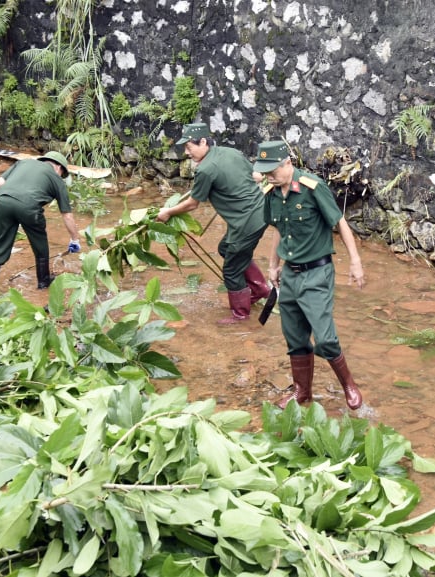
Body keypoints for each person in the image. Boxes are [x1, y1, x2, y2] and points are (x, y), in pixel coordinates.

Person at [254, 140, 366, 410]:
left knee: (325, 337)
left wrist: (355, 261)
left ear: (288, 163)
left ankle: (348, 384)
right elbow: (279, 230)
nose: (269, 176)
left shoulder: (312, 187)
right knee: (294, 337)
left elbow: (339, 221)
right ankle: (302, 392)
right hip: (290, 275)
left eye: (273, 171)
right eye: (265, 172)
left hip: (317, 273)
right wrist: (272, 265)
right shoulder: (271, 193)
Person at [155, 123, 270, 324]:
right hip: (261, 212)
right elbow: (256, 176)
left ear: (203, 142)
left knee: (231, 270)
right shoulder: (230, 152)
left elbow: (192, 205)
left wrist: (167, 212)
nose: (187, 152)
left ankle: (241, 314)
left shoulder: (205, 170)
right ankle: (260, 289)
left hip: (246, 222)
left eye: (189, 147)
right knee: (225, 248)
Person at [0, 151, 81, 291]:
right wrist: (75, 239)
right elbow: (67, 215)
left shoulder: (23, 162)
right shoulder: (56, 178)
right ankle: (43, 284)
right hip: (29, 207)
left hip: (3, 201)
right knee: (40, 246)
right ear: (59, 168)